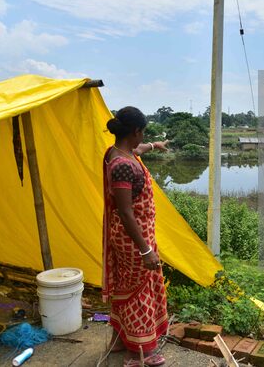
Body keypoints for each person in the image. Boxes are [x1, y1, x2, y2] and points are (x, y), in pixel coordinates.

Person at [102, 106, 170, 367]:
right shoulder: (122, 166)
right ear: (136, 131)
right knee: (138, 291)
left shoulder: (120, 152)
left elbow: (139, 150)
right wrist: (145, 250)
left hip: (135, 237)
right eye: (144, 134)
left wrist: (156, 145)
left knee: (126, 288)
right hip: (133, 240)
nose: (144, 139)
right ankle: (138, 352)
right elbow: (126, 212)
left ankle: (119, 340)